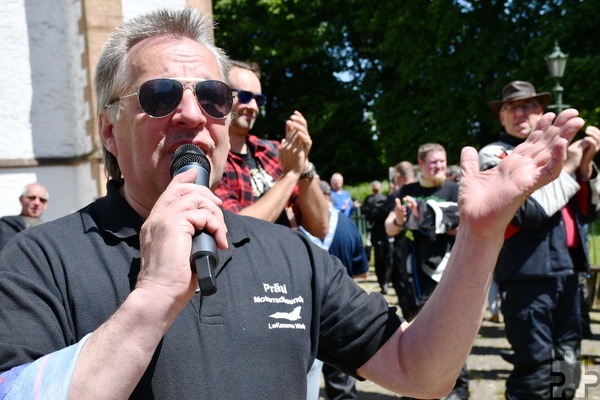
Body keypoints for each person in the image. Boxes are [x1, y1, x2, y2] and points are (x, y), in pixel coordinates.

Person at [0, 8, 585, 400]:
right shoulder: (40, 260)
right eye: (159, 96)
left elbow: (421, 370)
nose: (191, 113)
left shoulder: (288, 253)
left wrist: (481, 234)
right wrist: (152, 298)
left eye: (212, 96)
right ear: (108, 130)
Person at [479, 80, 600, 400]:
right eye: (511, 107)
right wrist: (571, 167)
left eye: (529, 105)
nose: (521, 112)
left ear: (542, 112)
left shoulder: (558, 154)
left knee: (572, 360)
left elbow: (589, 213)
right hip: (524, 275)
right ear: (501, 117)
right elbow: (526, 213)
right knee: (534, 367)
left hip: (569, 272)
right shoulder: (494, 154)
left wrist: (585, 167)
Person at [384, 144, 467, 400]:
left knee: (453, 330)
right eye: (434, 163)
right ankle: (417, 385)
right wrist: (400, 219)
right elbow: (390, 228)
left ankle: (458, 386)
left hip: (449, 269)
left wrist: (431, 218)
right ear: (421, 164)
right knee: (416, 329)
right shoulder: (407, 191)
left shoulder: (456, 189)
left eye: (442, 162)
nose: (440, 166)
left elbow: (467, 225)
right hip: (413, 273)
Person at [214, 60, 328, 237]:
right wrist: (290, 175)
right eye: (244, 97)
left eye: (258, 99)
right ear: (220, 96)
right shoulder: (210, 159)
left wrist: (304, 165)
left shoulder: (274, 151)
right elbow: (237, 231)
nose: (253, 107)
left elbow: (320, 227)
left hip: (290, 261)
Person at [301, 180, 369, 400]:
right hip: (340, 313)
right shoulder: (348, 225)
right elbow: (362, 271)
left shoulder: (290, 229)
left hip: (304, 315)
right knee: (342, 384)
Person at [361, 180, 392, 294]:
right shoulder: (385, 199)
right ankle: (385, 282)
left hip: (378, 232)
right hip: (386, 232)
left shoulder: (369, 199)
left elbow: (365, 213)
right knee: (386, 257)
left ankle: (383, 282)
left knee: (381, 258)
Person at [0, 182, 48, 250]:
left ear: (45, 205)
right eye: (32, 198)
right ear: (21, 200)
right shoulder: (6, 225)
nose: (37, 203)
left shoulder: (49, 229)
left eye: (42, 200)